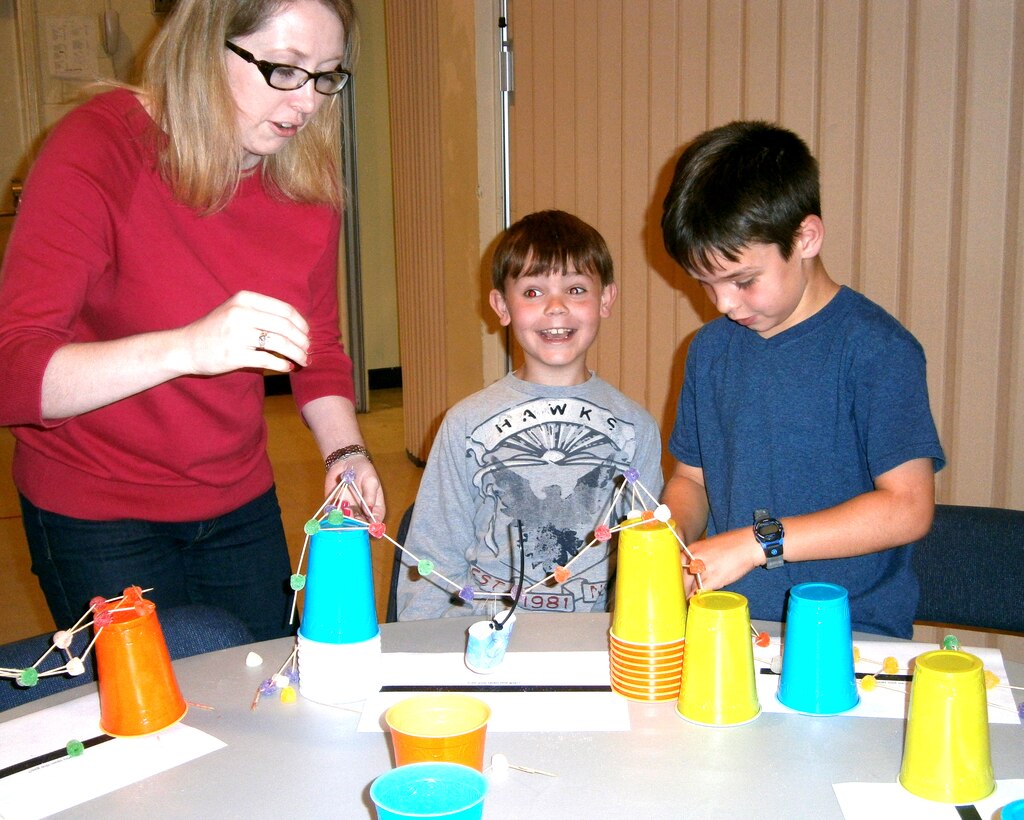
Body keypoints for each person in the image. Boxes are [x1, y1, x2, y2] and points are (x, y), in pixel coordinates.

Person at [0, 0, 383, 641]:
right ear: (206, 46)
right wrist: (187, 348)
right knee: (157, 718)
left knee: (265, 695)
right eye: (284, 69)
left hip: (237, 498)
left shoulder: (306, 176)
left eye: (327, 75)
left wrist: (346, 453)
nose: (308, 102)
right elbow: (13, 373)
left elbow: (319, 348)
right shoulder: (98, 149)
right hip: (97, 507)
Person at [659, 121, 945, 638]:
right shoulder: (709, 351)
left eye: (743, 280)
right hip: (727, 625)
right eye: (705, 283)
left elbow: (908, 507)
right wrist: (670, 537)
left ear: (806, 237)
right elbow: (690, 480)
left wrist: (756, 542)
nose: (723, 303)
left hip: (851, 632)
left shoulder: (877, 350)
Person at [396, 210, 664, 620]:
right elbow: (434, 550)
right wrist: (421, 647)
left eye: (576, 289)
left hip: (591, 642)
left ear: (605, 299)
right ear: (501, 306)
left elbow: (648, 561)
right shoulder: (464, 422)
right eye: (533, 293)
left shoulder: (636, 428)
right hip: (481, 637)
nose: (556, 308)